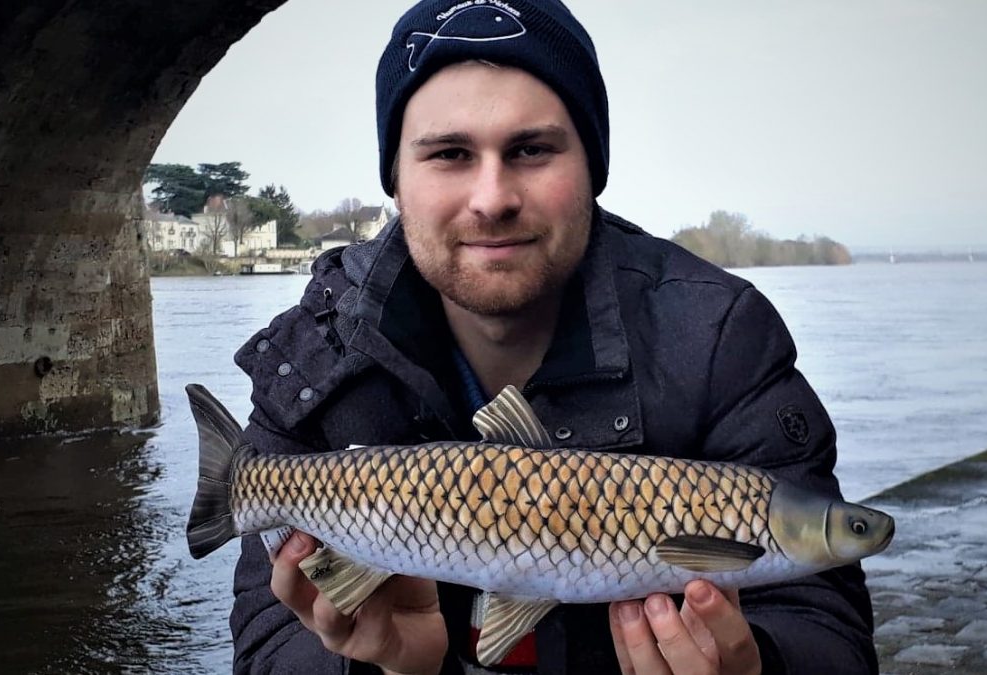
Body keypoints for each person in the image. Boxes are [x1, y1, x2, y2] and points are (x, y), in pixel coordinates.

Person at [228, 1, 878, 673]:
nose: (492, 198)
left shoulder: (721, 335)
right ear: (395, 179)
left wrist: (756, 666)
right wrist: (388, 668)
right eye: (449, 154)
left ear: (593, 166)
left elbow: (825, 623)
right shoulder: (315, 353)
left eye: (531, 150)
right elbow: (266, 642)